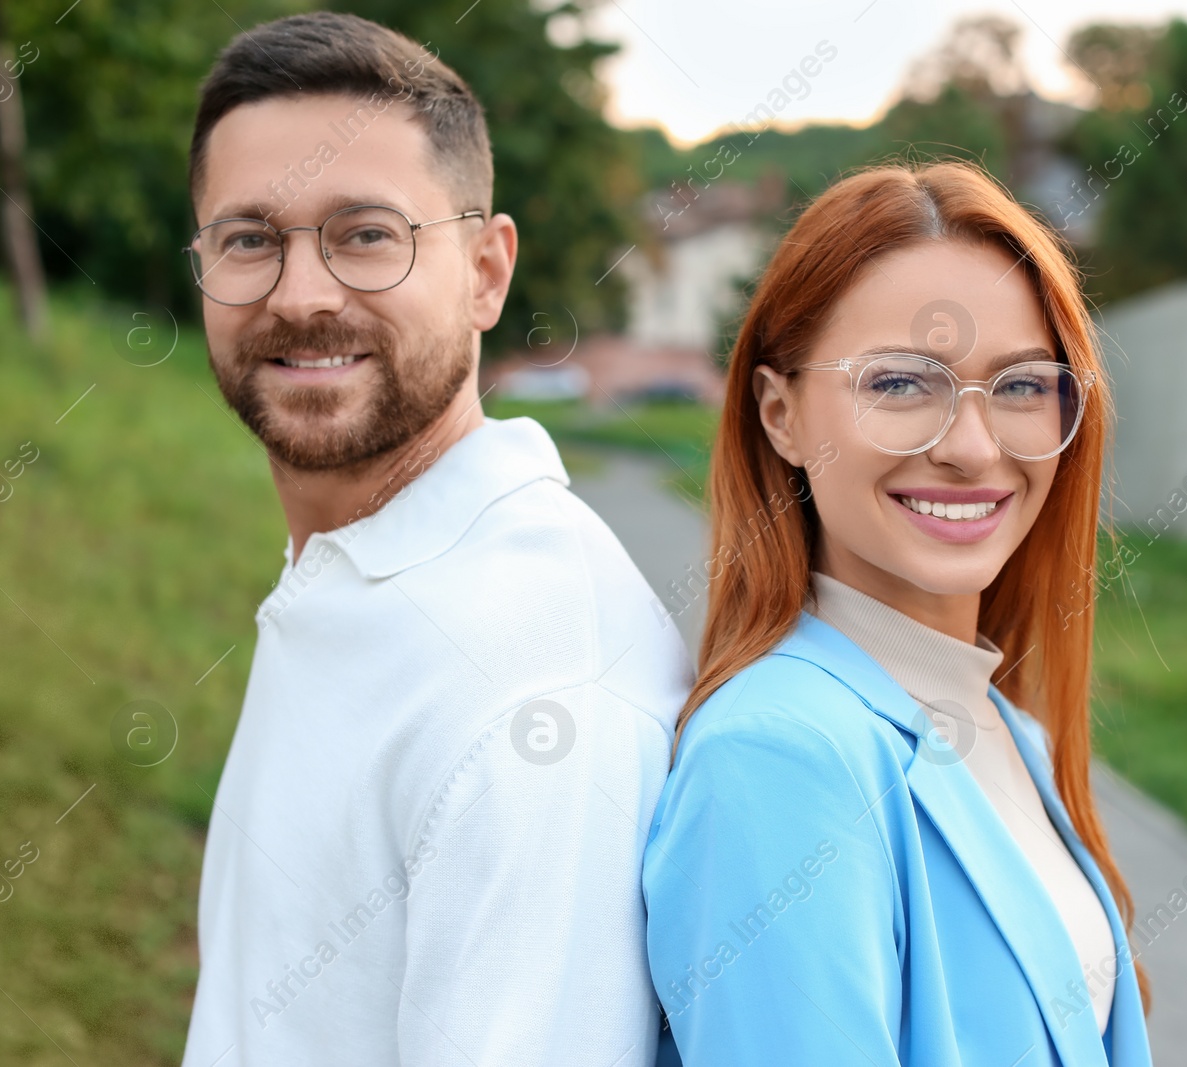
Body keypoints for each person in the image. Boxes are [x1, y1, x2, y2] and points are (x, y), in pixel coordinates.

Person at [179, 13, 693, 1066]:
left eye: (365, 233)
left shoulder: (534, 693)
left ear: (485, 272)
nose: (302, 293)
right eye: (249, 239)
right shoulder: (358, 570)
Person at [642, 161, 1153, 1066]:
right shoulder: (779, 758)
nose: (971, 445)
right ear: (780, 414)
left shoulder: (1006, 726)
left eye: (1024, 385)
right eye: (900, 383)